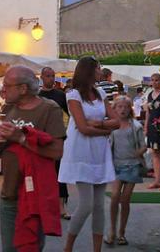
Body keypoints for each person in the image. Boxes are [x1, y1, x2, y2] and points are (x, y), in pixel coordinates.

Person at [0, 66, 65, 252]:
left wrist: (21, 138)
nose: (2, 90)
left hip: (35, 194)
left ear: (23, 89)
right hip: (8, 192)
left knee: (31, 247)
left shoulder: (49, 109)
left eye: (7, 85)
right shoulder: (8, 108)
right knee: (9, 248)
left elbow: (57, 151)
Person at [59, 56, 117, 252]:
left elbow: (117, 120)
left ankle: (97, 250)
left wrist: (99, 124)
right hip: (82, 151)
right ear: (89, 71)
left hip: (100, 151)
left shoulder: (100, 93)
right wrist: (105, 130)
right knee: (86, 204)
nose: (100, 72)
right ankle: (68, 247)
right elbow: (82, 128)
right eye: (98, 68)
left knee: (99, 205)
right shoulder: (73, 95)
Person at [106, 95, 146, 246]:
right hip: (115, 164)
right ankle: (112, 230)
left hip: (132, 165)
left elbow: (143, 145)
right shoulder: (111, 125)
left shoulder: (135, 126)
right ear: (114, 109)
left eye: (125, 107)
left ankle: (121, 232)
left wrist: (138, 153)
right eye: (119, 107)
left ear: (130, 109)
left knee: (125, 199)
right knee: (115, 195)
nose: (122, 110)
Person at [38, 67, 70, 221]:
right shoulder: (37, 96)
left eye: (53, 76)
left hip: (57, 138)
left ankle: (61, 206)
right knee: (43, 173)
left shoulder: (60, 95)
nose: (51, 79)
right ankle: (43, 206)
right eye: (48, 76)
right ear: (42, 77)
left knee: (59, 172)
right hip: (41, 139)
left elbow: (68, 115)